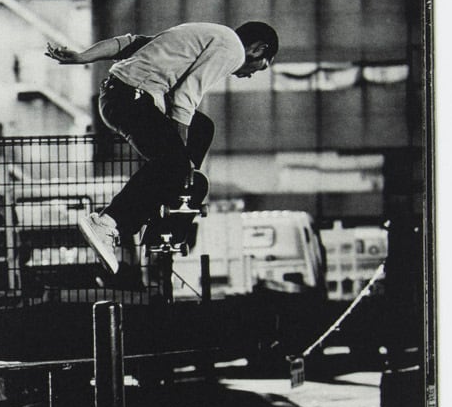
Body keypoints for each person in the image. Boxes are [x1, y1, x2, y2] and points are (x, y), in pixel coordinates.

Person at [47, 21, 279, 273]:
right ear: (257, 49)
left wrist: (83, 56)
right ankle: (108, 222)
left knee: (202, 128)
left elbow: (130, 43)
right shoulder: (233, 50)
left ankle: (169, 195)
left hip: (118, 96)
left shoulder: (204, 35)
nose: (250, 74)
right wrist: (180, 158)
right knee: (175, 164)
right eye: (260, 67)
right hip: (131, 99)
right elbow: (186, 96)